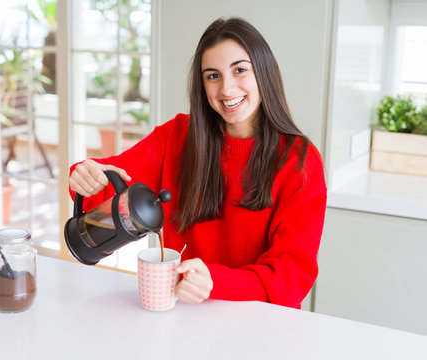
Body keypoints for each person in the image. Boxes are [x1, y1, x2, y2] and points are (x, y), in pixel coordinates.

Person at [68, 17, 327, 309]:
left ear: (263, 72)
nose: (227, 89)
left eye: (240, 70)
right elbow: (113, 181)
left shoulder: (299, 160)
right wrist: (87, 175)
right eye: (213, 76)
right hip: (185, 313)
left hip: (262, 321)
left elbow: (292, 277)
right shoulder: (177, 136)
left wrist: (216, 282)